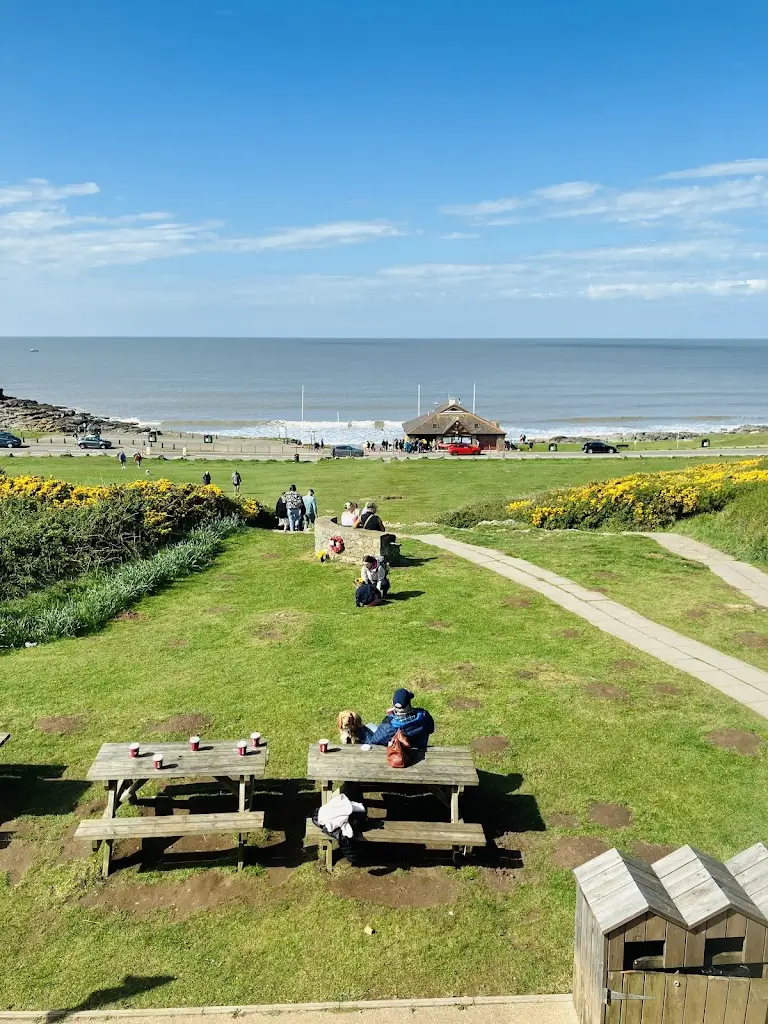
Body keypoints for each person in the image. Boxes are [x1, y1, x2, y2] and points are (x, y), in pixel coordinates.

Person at [368, 689, 435, 749]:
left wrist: (390, 717)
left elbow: (374, 741)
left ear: (393, 704)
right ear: (409, 703)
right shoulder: (424, 716)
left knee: (370, 725)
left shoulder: (387, 726)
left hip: (399, 756)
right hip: (420, 750)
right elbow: (431, 729)